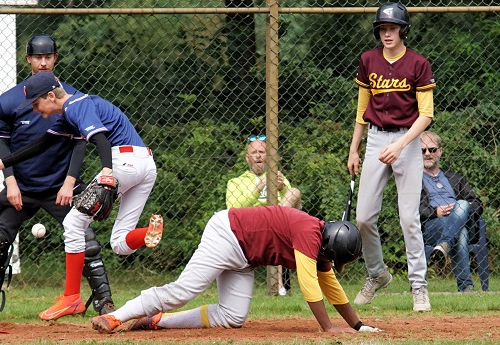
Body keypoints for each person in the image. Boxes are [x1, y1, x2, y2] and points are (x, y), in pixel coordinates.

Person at [0, 71, 163, 321]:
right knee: (121, 244)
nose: (36, 110)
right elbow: (41, 145)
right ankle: (149, 232)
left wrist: (106, 172)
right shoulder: (68, 115)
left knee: (73, 223)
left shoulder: (77, 105)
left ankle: (71, 298)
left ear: (51, 96)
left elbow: (100, 139)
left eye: (37, 103)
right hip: (145, 164)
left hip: (122, 161)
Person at [0, 35, 114, 323]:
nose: (43, 62)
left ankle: (105, 304)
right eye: (38, 57)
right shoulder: (10, 100)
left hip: (60, 185)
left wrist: (69, 183)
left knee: (87, 240)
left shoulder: (71, 98)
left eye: (49, 57)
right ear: (29, 60)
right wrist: (10, 181)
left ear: (55, 59)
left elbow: (79, 142)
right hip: (21, 186)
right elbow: (4, 142)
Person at [90, 205, 381, 334]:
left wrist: (357, 325)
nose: (332, 264)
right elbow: (309, 287)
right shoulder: (309, 233)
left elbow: (330, 286)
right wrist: (328, 328)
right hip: (227, 234)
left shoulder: (321, 245)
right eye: (335, 258)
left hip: (246, 257)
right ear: (330, 244)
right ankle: (115, 317)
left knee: (232, 317)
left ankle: (157, 321)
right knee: (183, 292)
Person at [347, 3, 436, 312]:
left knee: (409, 218)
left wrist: (401, 145)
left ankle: (419, 287)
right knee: (363, 218)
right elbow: (361, 111)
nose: (387, 33)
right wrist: (354, 148)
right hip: (375, 139)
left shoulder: (418, 64)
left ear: (402, 30)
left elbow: (426, 115)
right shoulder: (368, 60)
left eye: (392, 28)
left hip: (408, 142)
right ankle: (377, 274)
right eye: (382, 29)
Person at [226, 135, 301, 296]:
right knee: (277, 224)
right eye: (254, 153)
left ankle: (280, 284)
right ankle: (279, 284)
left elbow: (293, 201)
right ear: (247, 158)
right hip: (252, 225)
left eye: (262, 152)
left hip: (279, 221)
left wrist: (281, 188)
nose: (258, 155)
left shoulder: (278, 177)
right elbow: (233, 207)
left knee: (294, 192)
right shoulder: (236, 182)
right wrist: (260, 186)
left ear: (268, 156)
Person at [419, 131, 482, 292]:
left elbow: (477, 203)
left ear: (440, 151)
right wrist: (435, 211)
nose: (427, 154)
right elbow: (408, 207)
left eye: (432, 150)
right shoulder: (414, 179)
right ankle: (466, 286)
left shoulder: (455, 178)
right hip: (433, 226)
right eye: (423, 150)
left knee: (462, 203)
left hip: (463, 221)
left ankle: (445, 244)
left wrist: (458, 209)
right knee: (460, 233)